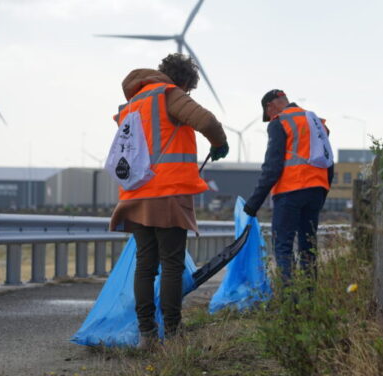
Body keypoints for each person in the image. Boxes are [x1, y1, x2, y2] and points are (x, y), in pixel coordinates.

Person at [109, 53, 229, 348]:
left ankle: (146, 334)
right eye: (189, 89)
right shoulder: (168, 94)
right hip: (167, 193)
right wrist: (220, 143)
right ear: (185, 81)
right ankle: (173, 334)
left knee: (145, 265)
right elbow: (206, 121)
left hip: (135, 196)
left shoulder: (131, 104)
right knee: (172, 264)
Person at [244, 89, 334, 281]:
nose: (270, 118)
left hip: (290, 191)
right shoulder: (315, 121)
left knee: (283, 245)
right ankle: (309, 296)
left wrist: (253, 204)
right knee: (308, 246)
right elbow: (329, 161)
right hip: (316, 191)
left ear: (270, 106)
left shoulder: (280, 122)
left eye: (268, 115)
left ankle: (290, 301)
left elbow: (272, 167)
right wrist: (323, 190)